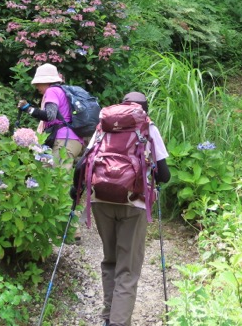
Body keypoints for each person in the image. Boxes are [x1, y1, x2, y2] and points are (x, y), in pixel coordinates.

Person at [75, 91, 170, 326]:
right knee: (127, 269)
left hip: (100, 200)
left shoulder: (104, 126)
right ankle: (118, 322)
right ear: (144, 108)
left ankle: (108, 317)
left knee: (110, 260)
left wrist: (74, 193)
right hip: (133, 202)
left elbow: (82, 163)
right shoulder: (148, 128)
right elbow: (165, 175)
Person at [18, 63, 83, 168]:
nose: (36, 86)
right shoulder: (62, 91)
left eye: (38, 83)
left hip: (64, 141)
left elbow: (50, 115)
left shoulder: (52, 91)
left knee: (58, 179)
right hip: (70, 140)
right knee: (45, 174)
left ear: (46, 81)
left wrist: (28, 109)